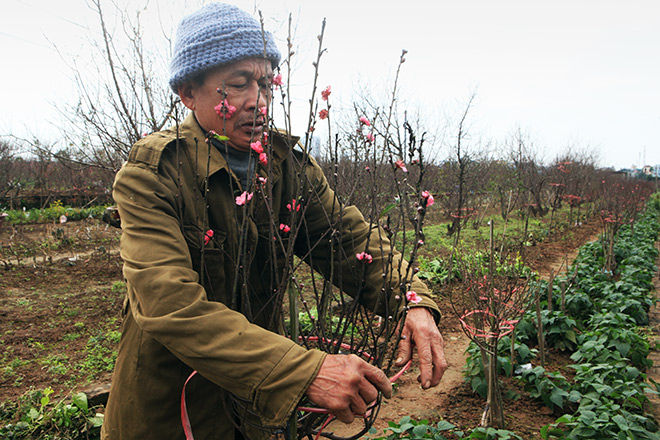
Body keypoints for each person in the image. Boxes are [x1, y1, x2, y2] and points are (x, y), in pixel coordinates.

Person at [102, 3, 447, 439]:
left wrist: (412, 300)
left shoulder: (286, 168)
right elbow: (168, 303)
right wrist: (305, 371)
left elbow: (349, 243)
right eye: (238, 85)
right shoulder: (154, 174)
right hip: (173, 414)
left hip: (257, 412)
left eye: (266, 85)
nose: (257, 102)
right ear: (189, 93)